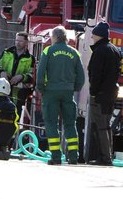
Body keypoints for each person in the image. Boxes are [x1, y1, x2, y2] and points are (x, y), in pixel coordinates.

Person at [37, 26, 84, 165]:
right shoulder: (75, 53)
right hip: (68, 92)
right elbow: (81, 77)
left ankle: (56, 156)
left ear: (55, 37)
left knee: (51, 123)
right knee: (70, 124)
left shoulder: (48, 51)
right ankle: (73, 156)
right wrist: (73, 88)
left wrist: (41, 89)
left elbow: (40, 74)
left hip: (50, 92)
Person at [86, 21, 122, 165]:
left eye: (93, 34)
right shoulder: (114, 49)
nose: (92, 37)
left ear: (98, 35)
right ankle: (107, 156)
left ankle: (104, 158)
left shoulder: (100, 51)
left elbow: (96, 74)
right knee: (106, 126)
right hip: (111, 92)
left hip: (100, 94)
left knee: (100, 126)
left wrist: (93, 92)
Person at [0, 32, 35, 115]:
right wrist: (1, 72)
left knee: (15, 115)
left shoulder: (30, 58)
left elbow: (31, 74)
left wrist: (21, 77)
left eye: (20, 41)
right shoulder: (6, 52)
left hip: (18, 94)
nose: (17, 43)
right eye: (16, 40)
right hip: (1, 91)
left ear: (26, 42)